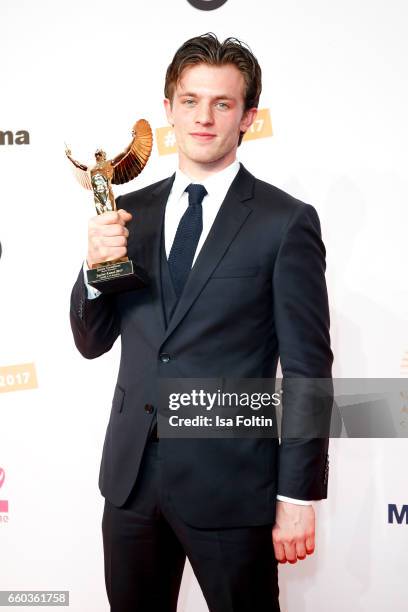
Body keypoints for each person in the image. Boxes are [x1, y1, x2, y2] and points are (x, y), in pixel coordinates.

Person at [70, 33, 333, 612]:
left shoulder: (284, 222)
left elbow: (310, 369)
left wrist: (297, 495)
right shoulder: (127, 213)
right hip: (132, 482)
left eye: (223, 103)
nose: (204, 118)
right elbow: (91, 341)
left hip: (234, 486)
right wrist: (93, 271)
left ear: (248, 117)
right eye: (190, 101)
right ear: (168, 110)